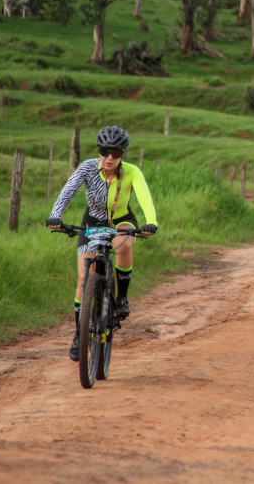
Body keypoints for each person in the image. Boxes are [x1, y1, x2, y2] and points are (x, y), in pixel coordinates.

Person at [46, 126, 158, 362]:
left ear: (122, 155)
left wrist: (151, 222)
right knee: (83, 278)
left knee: (124, 245)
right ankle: (79, 334)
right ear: (99, 151)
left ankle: (122, 297)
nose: (109, 158)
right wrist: (56, 216)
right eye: (105, 151)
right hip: (92, 221)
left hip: (122, 220)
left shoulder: (131, 172)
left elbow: (145, 198)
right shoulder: (88, 167)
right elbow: (68, 191)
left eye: (115, 153)